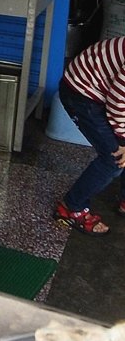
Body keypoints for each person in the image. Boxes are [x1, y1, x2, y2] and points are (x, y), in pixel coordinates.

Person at [54, 37, 125, 236]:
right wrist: (122, 141)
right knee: (113, 159)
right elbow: (118, 103)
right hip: (81, 92)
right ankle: (70, 207)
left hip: (104, 90)